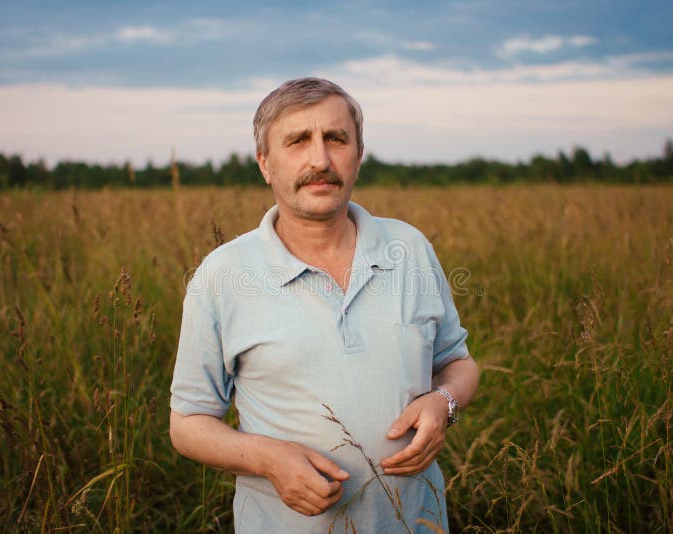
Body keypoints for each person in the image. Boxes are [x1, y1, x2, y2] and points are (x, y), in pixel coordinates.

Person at [169, 77, 480, 533]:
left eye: (336, 139)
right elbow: (188, 423)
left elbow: (459, 363)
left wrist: (444, 403)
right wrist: (268, 458)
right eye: (297, 141)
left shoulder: (409, 248)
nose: (320, 159)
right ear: (265, 163)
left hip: (416, 524)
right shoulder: (221, 275)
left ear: (358, 156)